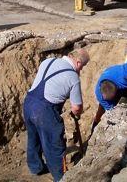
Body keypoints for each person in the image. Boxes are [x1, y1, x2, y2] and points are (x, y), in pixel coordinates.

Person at [23, 49, 90, 181]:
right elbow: (76, 107)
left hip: (28, 103)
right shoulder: (73, 77)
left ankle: (36, 168)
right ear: (77, 62)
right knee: (54, 146)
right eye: (82, 66)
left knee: (33, 138)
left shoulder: (48, 61)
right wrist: (77, 114)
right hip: (45, 111)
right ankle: (61, 177)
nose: (81, 70)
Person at [91, 52, 127, 132]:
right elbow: (111, 110)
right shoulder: (99, 94)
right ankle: (95, 125)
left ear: (116, 90)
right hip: (113, 84)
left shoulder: (125, 73)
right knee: (103, 109)